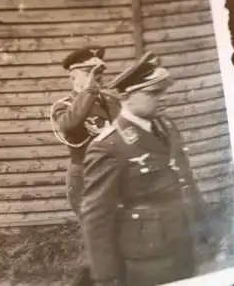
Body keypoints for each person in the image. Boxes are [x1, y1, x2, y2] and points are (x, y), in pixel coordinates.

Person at [80, 52, 211, 286]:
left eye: (163, 91)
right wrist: (106, 277)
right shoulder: (109, 146)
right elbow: (96, 216)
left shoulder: (166, 126)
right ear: (128, 97)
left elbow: (185, 180)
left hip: (183, 240)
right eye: (153, 93)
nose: (163, 98)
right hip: (148, 257)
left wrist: (205, 232)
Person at [49, 46, 120, 286]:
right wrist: (89, 89)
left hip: (113, 174)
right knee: (98, 239)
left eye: (98, 75)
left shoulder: (110, 100)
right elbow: (71, 125)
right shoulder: (62, 105)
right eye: (89, 74)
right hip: (85, 178)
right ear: (73, 76)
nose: (97, 80)